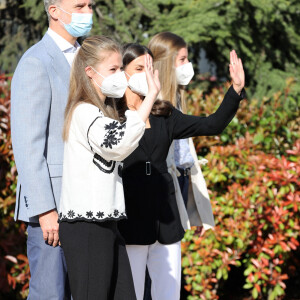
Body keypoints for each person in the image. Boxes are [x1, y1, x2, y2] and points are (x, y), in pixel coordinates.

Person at [118, 43, 245, 300]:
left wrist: (236, 90)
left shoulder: (164, 113)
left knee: (169, 292)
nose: (145, 73)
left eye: (149, 68)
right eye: (138, 68)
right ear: (122, 73)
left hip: (165, 216)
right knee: (131, 292)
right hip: (130, 218)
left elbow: (212, 124)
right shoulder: (111, 116)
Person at [58, 36, 160, 300]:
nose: (120, 77)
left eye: (120, 69)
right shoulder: (84, 111)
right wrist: (151, 97)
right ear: (90, 72)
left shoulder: (101, 112)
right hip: (87, 227)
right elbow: (120, 143)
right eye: (113, 70)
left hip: (107, 223)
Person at [10, 0, 93, 298]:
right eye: (80, 5)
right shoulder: (35, 62)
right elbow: (27, 144)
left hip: (93, 203)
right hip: (54, 207)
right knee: (51, 293)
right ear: (54, 10)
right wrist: (45, 209)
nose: (87, 12)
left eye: (90, 5)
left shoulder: (90, 57)